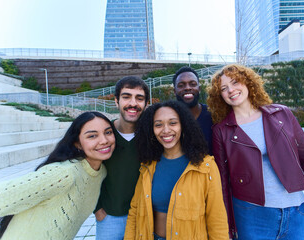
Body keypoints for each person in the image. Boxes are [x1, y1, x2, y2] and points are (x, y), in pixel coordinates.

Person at [207, 64, 304, 240]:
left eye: (235, 82)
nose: (231, 90)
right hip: (251, 214)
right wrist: (228, 229)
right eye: (224, 88)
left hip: (295, 211)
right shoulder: (222, 131)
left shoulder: (282, 114)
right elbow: (222, 183)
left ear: (248, 82)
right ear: (219, 95)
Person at [0, 111, 116, 240]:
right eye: (92, 136)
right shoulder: (64, 173)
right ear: (78, 144)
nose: (104, 140)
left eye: (108, 132)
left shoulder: (101, 171)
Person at [124, 100, 229, 240]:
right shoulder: (148, 166)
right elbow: (135, 210)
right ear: (152, 129)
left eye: (173, 123)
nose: (166, 130)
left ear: (183, 126)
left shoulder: (206, 166)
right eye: (158, 125)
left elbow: (217, 218)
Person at [94, 76, 149, 240]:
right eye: (126, 97)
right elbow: (87, 170)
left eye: (139, 98)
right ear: (116, 101)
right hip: (110, 217)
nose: (133, 103)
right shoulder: (103, 134)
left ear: (146, 104)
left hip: (143, 217)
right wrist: (97, 208)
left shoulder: (152, 135)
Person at [173, 66, 213, 154]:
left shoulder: (213, 115)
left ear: (199, 88)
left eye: (193, 84)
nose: (187, 88)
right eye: (181, 85)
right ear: (174, 91)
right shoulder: (169, 119)